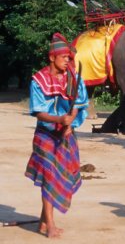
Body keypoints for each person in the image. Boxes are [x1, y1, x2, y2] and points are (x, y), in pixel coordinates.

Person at [24, 32, 88, 238]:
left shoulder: (73, 77)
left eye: (69, 57)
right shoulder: (38, 80)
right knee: (49, 177)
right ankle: (50, 225)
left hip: (66, 135)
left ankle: (43, 221)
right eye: (64, 58)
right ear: (52, 57)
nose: (68, 61)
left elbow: (78, 102)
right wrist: (59, 121)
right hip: (45, 135)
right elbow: (38, 111)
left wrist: (71, 121)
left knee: (61, 175)